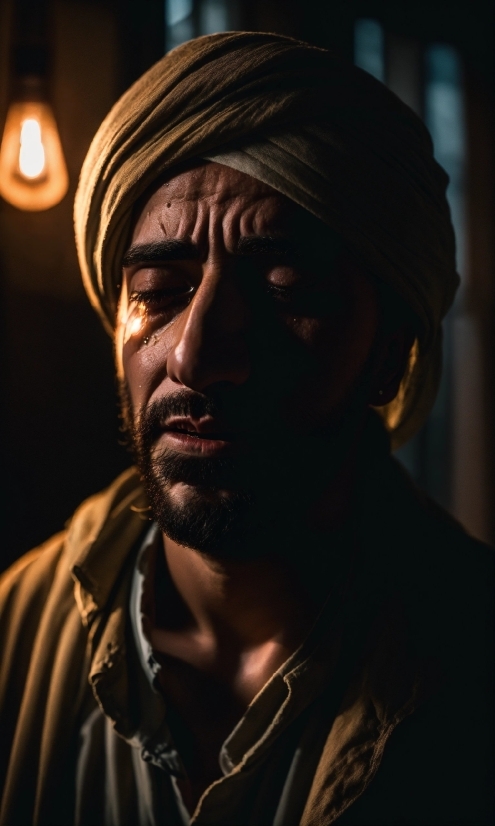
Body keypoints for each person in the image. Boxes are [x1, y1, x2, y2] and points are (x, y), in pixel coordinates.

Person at [0, 31, 492, 826]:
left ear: (389, 352)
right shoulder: (18, 637)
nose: (196, 354)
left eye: (285, 288)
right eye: (158, 290)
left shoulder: (469, 654)